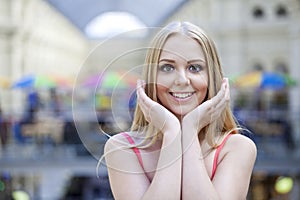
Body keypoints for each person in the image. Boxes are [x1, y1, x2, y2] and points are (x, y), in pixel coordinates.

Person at [103, 21, 257, 199]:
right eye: (167, 67)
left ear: (212, 77)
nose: (182, 80)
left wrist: (190, 129)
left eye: (194, 67)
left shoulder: (237, 148)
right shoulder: (122, 149)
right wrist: (172, 131)